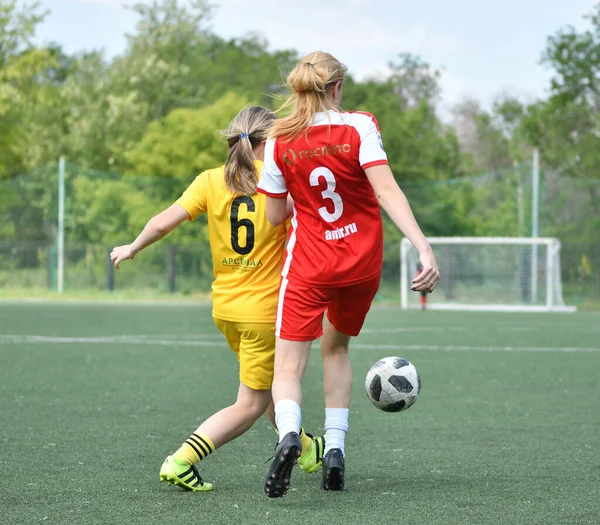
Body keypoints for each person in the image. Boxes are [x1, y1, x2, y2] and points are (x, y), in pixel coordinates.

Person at [110, 106, 324, 493]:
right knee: (251, 403)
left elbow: (162, 221)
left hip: (226, 308)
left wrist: (133, 246)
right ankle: (181, 460)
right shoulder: (281, 181)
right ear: (269, 141)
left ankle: (306, 448)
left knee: (269, 383)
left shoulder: (210, 180)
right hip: (264, 310)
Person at [257, 52, 440, 498]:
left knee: (287, 366)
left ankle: (289, 438)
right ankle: (335, 449)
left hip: (310, 266)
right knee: (335, 349)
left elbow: (274, 215)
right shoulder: (360, 125)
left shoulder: (279, 139)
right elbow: (386, 190)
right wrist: (422, 245)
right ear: (336, 87)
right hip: (361, 265)